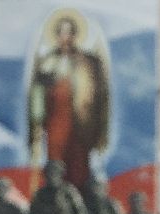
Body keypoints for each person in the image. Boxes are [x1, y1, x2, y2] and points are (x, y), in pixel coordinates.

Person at [27, 10, 110, 191]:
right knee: (56, 164)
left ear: (75, 35)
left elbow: (99, 97)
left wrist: (99, 129)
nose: (66, 37)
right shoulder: (47, 62)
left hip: (80, 125)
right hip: (55, 124)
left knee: (79, 165)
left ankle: (81, 201)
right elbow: (37, 95)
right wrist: (37, 124)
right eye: (62, 32)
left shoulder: (87, 62)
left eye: (69, 32)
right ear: (56, 35)